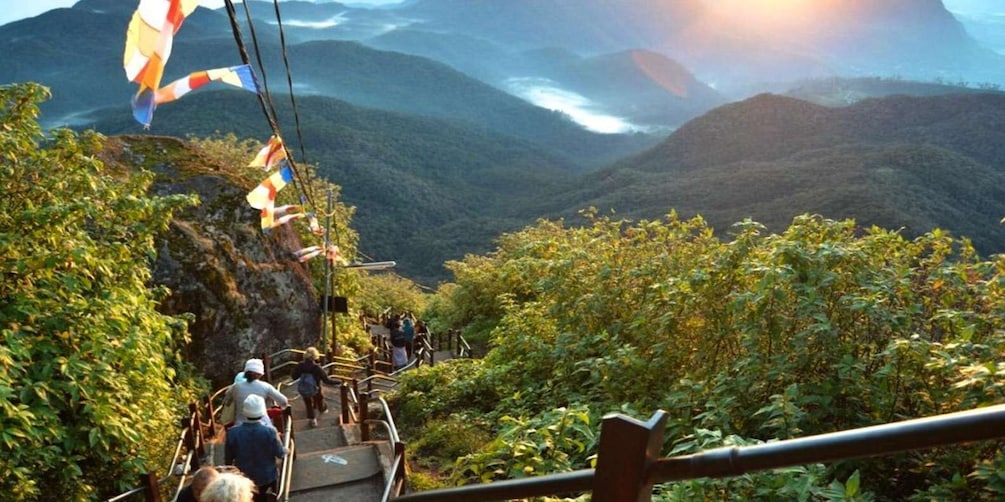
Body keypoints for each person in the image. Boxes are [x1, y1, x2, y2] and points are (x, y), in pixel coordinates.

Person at [225, 395, 288, 502]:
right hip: (268, 476)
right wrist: (286, 450)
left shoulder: (232, 433)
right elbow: (280, 453)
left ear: (245, 412)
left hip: (244, 478)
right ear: (262, 412)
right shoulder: (270, 431)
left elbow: (228, 460)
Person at [225, 358, 288, 428]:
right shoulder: (265, 386)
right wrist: (282, 407)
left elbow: (227, 400)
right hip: (263, 424)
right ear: (260, 373)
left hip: (240, 425)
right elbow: (283, 401)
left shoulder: (235, 387)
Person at [290, 347, 339, 427]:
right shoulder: (317, 368)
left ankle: (312, 420)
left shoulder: (300, 365)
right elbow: (327, 380)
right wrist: (339, 382)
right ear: (315, 356)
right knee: (320, 399)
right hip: (316, 388)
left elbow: (294, 376)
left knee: (308, 403)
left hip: (304, 389)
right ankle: (322, 410)